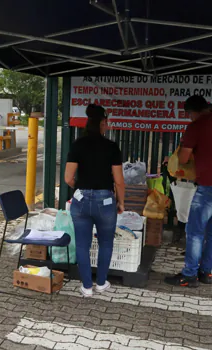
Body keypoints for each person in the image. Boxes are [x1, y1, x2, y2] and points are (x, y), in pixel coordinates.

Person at [165, 95, 212, 288]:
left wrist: (181, 148)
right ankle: (206, 272)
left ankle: (189, 275)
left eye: (189, 114)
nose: (189, 117)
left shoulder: (196, 127)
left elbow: (182, 159)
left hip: (211, 186)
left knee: (195, 230)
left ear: (194, 112)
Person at [64, 104, 125, 297]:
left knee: (82, 244)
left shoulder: (77, 145)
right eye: (106, 123)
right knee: (106, 243)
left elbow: (68, 178)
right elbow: (119, 181)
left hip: (81, 200)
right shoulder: (111, 147)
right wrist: (121, 202)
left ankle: (87, 287)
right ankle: (101, 283)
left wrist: (81, 187)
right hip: (105, 201)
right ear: (102, 123)